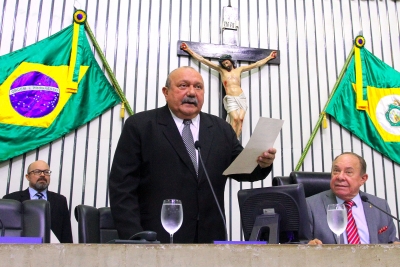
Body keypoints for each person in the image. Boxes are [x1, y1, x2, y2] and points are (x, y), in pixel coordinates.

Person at [109, 66, 276, 244]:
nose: (191, 92)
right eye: (183, 86)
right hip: (156, 240)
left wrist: (263, 163)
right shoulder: (141, 126)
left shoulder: (220, 129)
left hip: (210, 240)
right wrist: (135, 237)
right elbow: (122, 187)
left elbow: (243, 169)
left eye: (198, 87)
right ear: (166, 92)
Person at [180, 42, 277, 138]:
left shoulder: (239, 70)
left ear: (231, 61)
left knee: (241, 119)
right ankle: (231, 140)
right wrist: (188, 50)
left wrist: (269, 57)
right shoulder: (221, 70)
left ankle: (236, 141)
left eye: (226, 62)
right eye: (223, 63)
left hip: (241, 97)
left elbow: (256, 64)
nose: (225, 64)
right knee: (235, 118)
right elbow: (203, 60)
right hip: (230, 98)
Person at [307, 152, 399, 244]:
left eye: (348, 172)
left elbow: (391, 242)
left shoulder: (380, 206)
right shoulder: (310, 205)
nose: (340, 177)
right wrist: (308, 246)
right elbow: (299, 243)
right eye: (336, 171)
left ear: (363, 179)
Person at [3, 160, 73, 243]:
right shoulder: (11, 200)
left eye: (46, 172)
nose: (43, 175)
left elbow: (66, 235)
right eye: (37, 172)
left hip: (52, 252)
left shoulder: (60, 200)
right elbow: (5, 235)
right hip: (20, 250)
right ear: (27, 176)